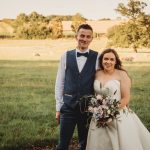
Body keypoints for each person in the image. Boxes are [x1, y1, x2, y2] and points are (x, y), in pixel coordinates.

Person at [86, 48, 150, 150]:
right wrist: (99, 111)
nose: (108, 62)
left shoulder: (122, 75)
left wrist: (108, 112)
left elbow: (126, 98)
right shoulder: (97, 73)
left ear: (116, 62)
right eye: (105, 59)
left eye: (112, 59)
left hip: (118, 114)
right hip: (98, 115)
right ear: (101, 60)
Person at [55, 24, 99, 150]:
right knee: (62, 144)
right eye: (82, 35)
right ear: (76, 36)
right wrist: (58, 107)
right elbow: (60, 82)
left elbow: (101, 80)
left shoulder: (97, 57)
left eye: (88, 37)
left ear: (91, 39)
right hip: (68, 106)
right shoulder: (65, 56)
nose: (84, 39)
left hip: (88, 108)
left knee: (84, 144)